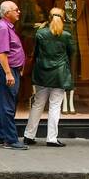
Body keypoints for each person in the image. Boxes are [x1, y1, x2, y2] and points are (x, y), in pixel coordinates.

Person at [23, 8, 75, 148]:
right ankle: (51, 138)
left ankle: (28, 135)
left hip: (42, 73)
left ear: (49, 17)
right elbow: (72, 52)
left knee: (38, 104)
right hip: (59, 74)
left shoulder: (40, 33)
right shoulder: (66, 35)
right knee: (55, 106)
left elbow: (36, 52)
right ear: (63, 19)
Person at [0, 0, 27, 150]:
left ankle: (0, 136)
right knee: (7, 105)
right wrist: (8, 73)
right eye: (16, 10)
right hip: (5, 70)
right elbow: (2, 54)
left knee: (1, 104)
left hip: (6, 69)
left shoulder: (5, 27)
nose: (19, 12)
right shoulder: (4, 29)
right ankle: (11, 140)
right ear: (7, 13)